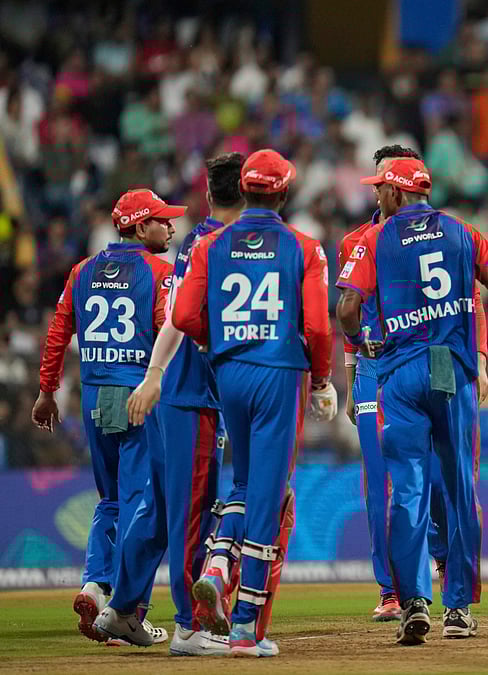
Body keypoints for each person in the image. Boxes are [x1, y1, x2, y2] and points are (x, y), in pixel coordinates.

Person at [336, 156, 488, 645]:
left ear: (397, 195)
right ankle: (457, 609)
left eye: (380, 189)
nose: (376, 196)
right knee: (460, 487)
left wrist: (365, 344)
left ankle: (413, 601)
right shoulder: (466, 233)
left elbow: (347, 307)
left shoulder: (373, 240)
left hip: (400, 372)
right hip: (452, 369)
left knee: (408, 491)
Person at [173, 149, 337, 657]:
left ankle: (218, 562)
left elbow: (182, 315)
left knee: (243, 483)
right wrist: (321, 381)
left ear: (243, 190)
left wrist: (214, 342)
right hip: (279, 373)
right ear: (285, 193)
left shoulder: (209, 245)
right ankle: (245, 628)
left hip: (228, 375)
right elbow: (315, 326)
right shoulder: (303, 247)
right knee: (270, 496)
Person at [34, 189, 180, 646]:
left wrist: (46, 391)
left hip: (94, 397)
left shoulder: (82, 270)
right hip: (138, 394)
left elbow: (59, 330)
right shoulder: (160, 272)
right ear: (140, 227)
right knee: (145, 502)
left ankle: (95, 584)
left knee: (111, 499)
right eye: (161, 220)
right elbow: (167, 329)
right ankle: (128, 609)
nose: (171, 227)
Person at [124, 153, 246, 655]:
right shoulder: (219, 245)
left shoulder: (198, 241)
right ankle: (188, 627)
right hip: (191, 394)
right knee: (189, 514)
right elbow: (183, 318)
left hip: (195, 394)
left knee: (185, 508)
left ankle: (132, 608)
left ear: (208, 194)